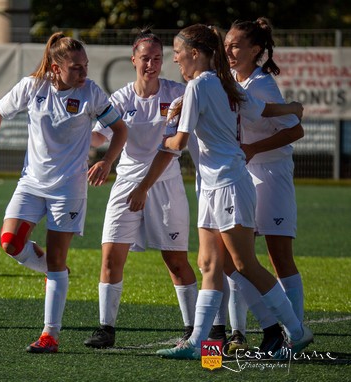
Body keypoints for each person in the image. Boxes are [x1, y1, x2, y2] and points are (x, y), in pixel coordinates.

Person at [128, 24, 312, 360]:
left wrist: (162, 134)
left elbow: (179, 143)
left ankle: (297, 332)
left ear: (195, 53)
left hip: (228, 183)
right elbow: (260, 109)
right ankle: (197, 341)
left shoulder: (201, 85)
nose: (176, 59)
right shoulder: (221, 83)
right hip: (213, 185)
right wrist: (292, 108)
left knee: (244, 264)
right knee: (209, 263)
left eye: (178, 52)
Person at [0, 32, 127, 353]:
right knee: (10, 243)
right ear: (56, 68)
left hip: (68, 189)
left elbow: (120, 129)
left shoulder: (91, 94)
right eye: (76, 68)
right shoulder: (32, 86)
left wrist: (107, 161)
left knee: (56, 260)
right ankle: (55, 271)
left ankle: (49, 335)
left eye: (85, 66)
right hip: (31, 183)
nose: (84, 73)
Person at [83, 29, 197, 349]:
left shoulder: (177, 94)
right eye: (145, 58)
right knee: (110, 258)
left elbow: (172, 147)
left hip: (165, 186)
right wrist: (73, 138)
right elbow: (98, 137)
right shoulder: (119, 99)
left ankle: (194, 329)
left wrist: (144, 187)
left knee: (176, 261)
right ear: (133, 60)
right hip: (127, 184)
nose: (151, 64)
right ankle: (106, 328)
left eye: (157, 58)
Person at [221, 17, 306, 354]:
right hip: (242, 176)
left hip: (272, 175)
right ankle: (238, 332)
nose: (228, 49)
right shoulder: (229, 80)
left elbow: (295, 129)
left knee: (279, 256)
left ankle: (292, 335)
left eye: (236, 44)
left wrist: (255, 148)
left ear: (255, 49)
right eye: (226, 43)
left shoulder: (262, 83)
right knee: (234, 255)